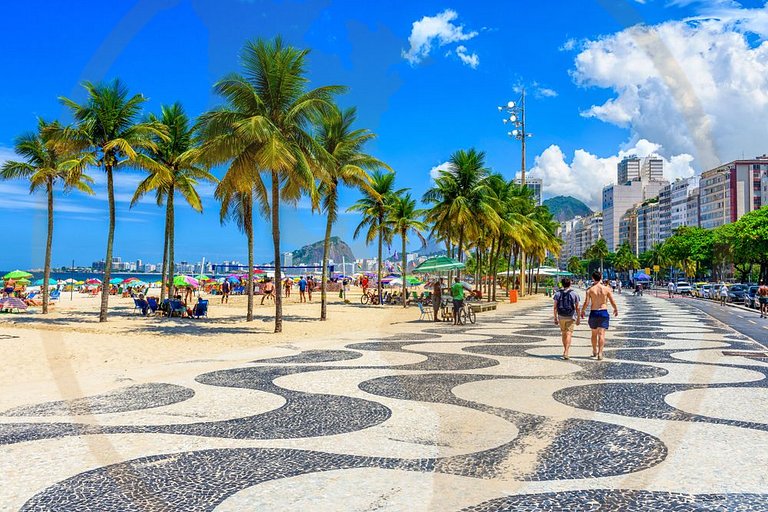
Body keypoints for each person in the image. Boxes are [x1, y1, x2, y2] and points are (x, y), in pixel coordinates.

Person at [581, 270, 619, 361]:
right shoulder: (606, 289)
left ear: (593, 278)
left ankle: (594, 350)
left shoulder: (590, 290)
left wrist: (582, 311)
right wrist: (615, 309)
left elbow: (586, 302)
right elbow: (612, 300)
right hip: (603, 312)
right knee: (601, 334)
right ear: (601, 278)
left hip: (594, 312)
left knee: (594, 334)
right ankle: (600, 353)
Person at [553, 277, 580, 360]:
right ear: (570, 284)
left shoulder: (557, 294)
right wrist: (578, 317)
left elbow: (555, 307)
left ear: (562, 284)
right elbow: (577, 307)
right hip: (570, 316)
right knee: (569, 334)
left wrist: (555, 318)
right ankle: (566, 351)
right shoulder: (574, 294)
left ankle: (565, 349)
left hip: (561, 316)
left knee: (564, 333)